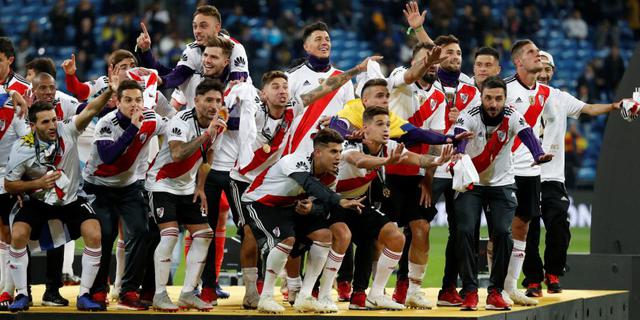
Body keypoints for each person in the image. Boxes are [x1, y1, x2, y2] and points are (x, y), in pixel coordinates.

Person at [228, 55, 378, 309]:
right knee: (250, 235)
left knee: (309, 233)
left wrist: (355, 70)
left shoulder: (291, 110)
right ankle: (254, 292)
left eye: (285, 86)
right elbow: (233, 121)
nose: (282, 91)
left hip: (280, 180)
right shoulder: (254, 113)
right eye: (275, 87)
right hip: (247, 179)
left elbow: (326, 88)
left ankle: (302, 292)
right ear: (262, 93)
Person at [5, 75, 119, 312]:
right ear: (33, 125)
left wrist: (110, 92)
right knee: (17, 235)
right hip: (38, 201)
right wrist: (38, 183)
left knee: (94, 233)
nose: (51, 126)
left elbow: (90, 110)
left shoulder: (67, 130)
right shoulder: (22, 147)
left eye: (53, 120)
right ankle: (22, 295)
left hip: (70, 200)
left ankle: (85, 295)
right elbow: (9, 184)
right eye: (45, 122)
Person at [522, 51, 625, 297]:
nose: (544, 73)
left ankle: (553, 271)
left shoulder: (560, 97)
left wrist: (613, 105)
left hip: (554, 177)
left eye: (548, 69)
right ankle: (533, 279)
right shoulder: (517, 94)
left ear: (553, 72)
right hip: (524, 173)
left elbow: (588, 108)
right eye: (540, 67)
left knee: (559, 228)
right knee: (530, 230)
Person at [453, 76, 553, 311]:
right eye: (489, 98)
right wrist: (458, 151)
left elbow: (528, 135)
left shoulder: (513, 116)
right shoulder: (470, 115)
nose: (493, 104)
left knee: (503, 233)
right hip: (472, 183)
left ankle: (495, 292)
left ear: (505, 99)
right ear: (481, 97)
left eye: (498, 98)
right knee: (465, 231)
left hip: (502, 184)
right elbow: (459, 133)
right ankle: (469, 291)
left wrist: (538, 154)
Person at [338, 106, 452, 310]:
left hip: (359, 206)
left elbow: (416, 159)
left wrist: (437, 160)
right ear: (365, 128)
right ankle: (308, 290)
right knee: (332, 240)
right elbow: (360, 160)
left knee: (393, 237)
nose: (386, 129)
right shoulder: (350, 144)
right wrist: (386, 161)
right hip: (335, 203)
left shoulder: (390, 145)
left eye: (388, 125)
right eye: (380, 124)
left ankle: (373, 294)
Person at [241, 128, 365, 314]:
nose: (338, 157)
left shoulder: (332, 173)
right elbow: (310, 184)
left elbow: (323, 204)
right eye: (333, 151)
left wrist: (312, 208)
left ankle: (304, 296)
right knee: (287, 240)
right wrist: (340, 200)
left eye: (340, 151)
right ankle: (265, 297)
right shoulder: (295, 160)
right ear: (317, 152)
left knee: (325, 235)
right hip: (260, 203)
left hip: (289, 207)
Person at [83, 79, 169, 310]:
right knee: (107, 234)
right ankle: (98, 290)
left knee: (142, 232)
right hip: (98, 186)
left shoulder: (152, 119)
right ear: (117, 102)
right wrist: (133, 128)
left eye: (138, 100)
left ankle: (129, 290)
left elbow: (173, 130)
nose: (134, 105)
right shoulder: (106, 123)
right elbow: (108, 156)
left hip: (129, 186)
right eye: (128, 100)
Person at [145, 79, 226, 312]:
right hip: (161, 184)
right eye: (209, 100)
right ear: (196, 100)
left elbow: (207, 158)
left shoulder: (217, 126)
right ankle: (160, 295)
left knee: (205, 234)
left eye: (218, 101)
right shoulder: (180, 120)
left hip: (187, 188)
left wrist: (200, 187)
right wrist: (207, 134)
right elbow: (178, 153)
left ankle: (188, 293)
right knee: (169, 235)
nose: (214, 105)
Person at [136, 5, 251, 88]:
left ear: (217, 28)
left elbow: (238, 83)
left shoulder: (235, 48)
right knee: (192, 78)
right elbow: (177, 76)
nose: (197, 31)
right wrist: (146, 51)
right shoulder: (192, 50)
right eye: (195, 26)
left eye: (203, 26)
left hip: (234, 109)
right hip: (202, 108)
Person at [0, 37, 31, 311]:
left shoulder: (24, 88)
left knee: (10, 231)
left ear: (9, 60)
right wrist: (9, 95)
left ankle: (9, 290)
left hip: (10, 174)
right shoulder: (13, 92)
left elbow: (28, 135)